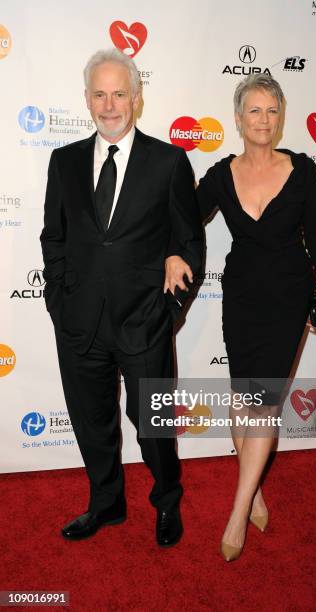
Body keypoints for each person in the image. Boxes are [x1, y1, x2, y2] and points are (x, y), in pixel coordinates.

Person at [40, 49, 203, 547]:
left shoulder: (169, 161)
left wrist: (167, 310)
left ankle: (167, 500)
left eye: (119, 93)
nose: (110, 105)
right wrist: (59, 302)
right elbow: (55, 238)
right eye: (99, 94)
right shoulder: (64, 162)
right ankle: (105, 504)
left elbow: (189, 242)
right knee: (93, 423)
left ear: (137, 96)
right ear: (87, 99)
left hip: (143, 322)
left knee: (152, 425)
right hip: (79, 323)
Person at [196, 74, 316, 561]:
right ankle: (254, 487)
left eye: (271, 111)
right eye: (253, 111)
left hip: (287, 299)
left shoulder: (301, 170)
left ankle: (237, 514)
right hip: (240, 298)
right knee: (243, 399)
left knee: (262, 406)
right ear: (238, 119)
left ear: (281, 118)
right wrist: (171, 252)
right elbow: (183, 217)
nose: (263, 119)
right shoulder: (220, 175)